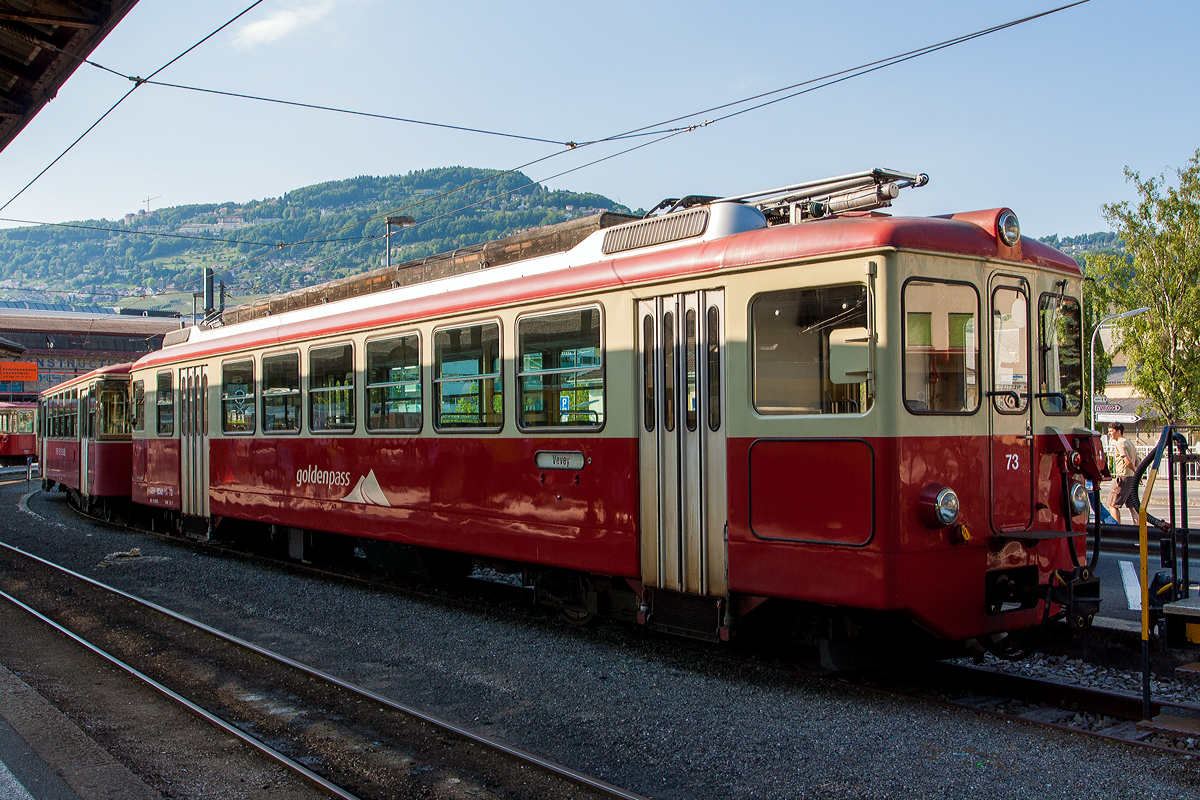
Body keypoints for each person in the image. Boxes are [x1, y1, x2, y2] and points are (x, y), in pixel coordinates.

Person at [1106, 422, 1140, 524]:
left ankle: (1117, 528)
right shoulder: (1129, 442)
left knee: (1112, 504)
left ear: (1119, 431)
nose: (1110, 434)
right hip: (1131, 478)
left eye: (1112, 431)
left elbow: (1127, 460)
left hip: (1123, 476)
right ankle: (1138, 528)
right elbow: (1137, 459)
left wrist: (1134, 470)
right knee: (1132, 505)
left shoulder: (1120, 443)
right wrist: (1137, 472)